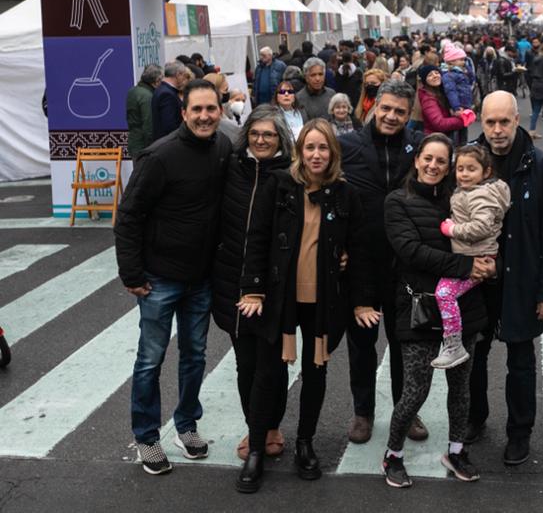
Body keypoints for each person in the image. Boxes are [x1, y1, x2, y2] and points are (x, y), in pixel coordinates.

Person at [235, 119, 365, 492]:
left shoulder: (345, 194)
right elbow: (257, 237)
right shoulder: (279, 185)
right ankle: (256, 448)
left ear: (333, 153)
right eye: (310, 147)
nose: (316, 155)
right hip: (281, 298)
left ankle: (305, 443)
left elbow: (358, 247)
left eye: (323, 148)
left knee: (315, 373)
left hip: (324, 301)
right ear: (299, 152)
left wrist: (358, 293)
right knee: (267, 373)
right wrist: (253, 289)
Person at [114, 78, 232, 475]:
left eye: (210, 109)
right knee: (150, 360)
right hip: (159, 278)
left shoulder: (223, 147)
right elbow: (129, 215)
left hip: (200, 278)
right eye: (196, 109)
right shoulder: (159, 156)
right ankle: (147, 437)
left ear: (220, 111)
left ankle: (186, 425)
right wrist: (131, 272)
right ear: (183, 113)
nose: (204, 116)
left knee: (195, 356)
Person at [379, 134, 495, 488]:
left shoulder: (458, 198)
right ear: (417, 160)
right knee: (416, 390)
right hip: (420, 308)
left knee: (461, 389)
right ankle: (393, 455)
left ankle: (456, 451)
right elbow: (410, 251)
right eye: (427, 158)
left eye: (441, 161)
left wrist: (489, 262)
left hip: (463, 307)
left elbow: (485, 234)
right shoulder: (396, 201)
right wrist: (468, 266)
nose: (433, 165)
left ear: (449, 168)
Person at [468, 91, 543, 466]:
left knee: (521, 361)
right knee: (473, 356)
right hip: (476, 280)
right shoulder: (468, 163)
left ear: (517, 120)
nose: (497, 130)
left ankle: (519, 432)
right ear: (481, 121)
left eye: (504, 122)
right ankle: (474, 417)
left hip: (522, 279)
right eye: (490, 122)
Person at [341, 79, 427, 444]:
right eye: (386, 108)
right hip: (360, 263)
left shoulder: (420, 147)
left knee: (405, 343)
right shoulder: (347, 145)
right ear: (375, 105)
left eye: (400, 112)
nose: (391, 116)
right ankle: (363, 412)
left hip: (405, 266)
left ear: (409, 114)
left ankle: (406, 410)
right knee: (361, 344)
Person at [210, 106, 293, 465]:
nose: (261, 140)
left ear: (280, 138)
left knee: (272, 365)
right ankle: (255, 428)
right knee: (246, 365)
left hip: (275, 287)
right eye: (256, 133)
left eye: (269, 134)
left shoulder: (291, 174)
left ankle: (269, 428)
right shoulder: (231, 168)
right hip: (231, 281)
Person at [434, 145, 511, 368]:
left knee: (444, 293)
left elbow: (481, 227)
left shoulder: (480, 195)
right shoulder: (469, 191)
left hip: (477, 257)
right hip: (474, 254)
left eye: (471, 169)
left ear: (486, 172)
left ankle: (454, 345)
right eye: (460, 169)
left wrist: (452, 229)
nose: (464, 174)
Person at [126, 64, 163, 158]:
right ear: (156, 81)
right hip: (144, 146)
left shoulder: (132, 91)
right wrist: (152, 147)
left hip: (134, 141)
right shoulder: (148, 97)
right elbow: (148, 124)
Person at [151, 61, 189, 141]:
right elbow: (170, 126)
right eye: (184, 75)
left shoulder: (162, 89)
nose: (184, 79)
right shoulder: (167, 94)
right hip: (169, 142)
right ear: (178, 75)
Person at [204, 72, 240, 142]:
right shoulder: (216, 117)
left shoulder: (222, 108)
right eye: (225, 90)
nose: (227, 93)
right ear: (215, 91)